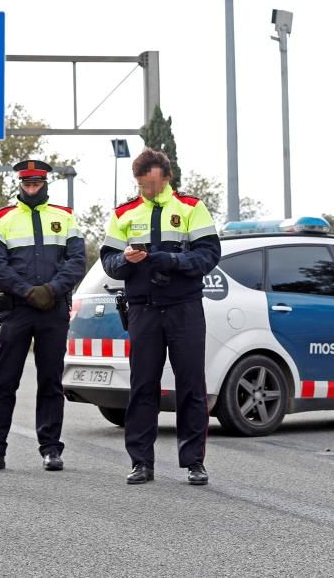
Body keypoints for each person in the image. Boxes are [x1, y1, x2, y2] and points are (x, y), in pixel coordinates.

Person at [99, 148, 220, 486]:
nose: (147, 191)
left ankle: (194, 461)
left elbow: (210, 254)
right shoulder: (123, 213)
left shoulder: (192, 209)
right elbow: (108, 261)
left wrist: (170, 261)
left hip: (184, 308)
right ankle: (140, 462)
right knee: (142, 386)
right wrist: (126, 261)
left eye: (151, 184)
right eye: (141, 186)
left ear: (167, 177)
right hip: (143, 309)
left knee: (191, 385)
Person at [0, 160, 86, 472]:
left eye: (37, 183)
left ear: (45, 183)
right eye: (27, 183)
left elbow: (77, 261)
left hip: (53, 309)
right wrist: (27, 291)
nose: (31, 188)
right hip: (18, 308)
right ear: (19, 183)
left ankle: (51, 448)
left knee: (50, 380)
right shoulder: (2, 218)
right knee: (4, 380)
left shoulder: (64, 217)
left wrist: (51, 290)